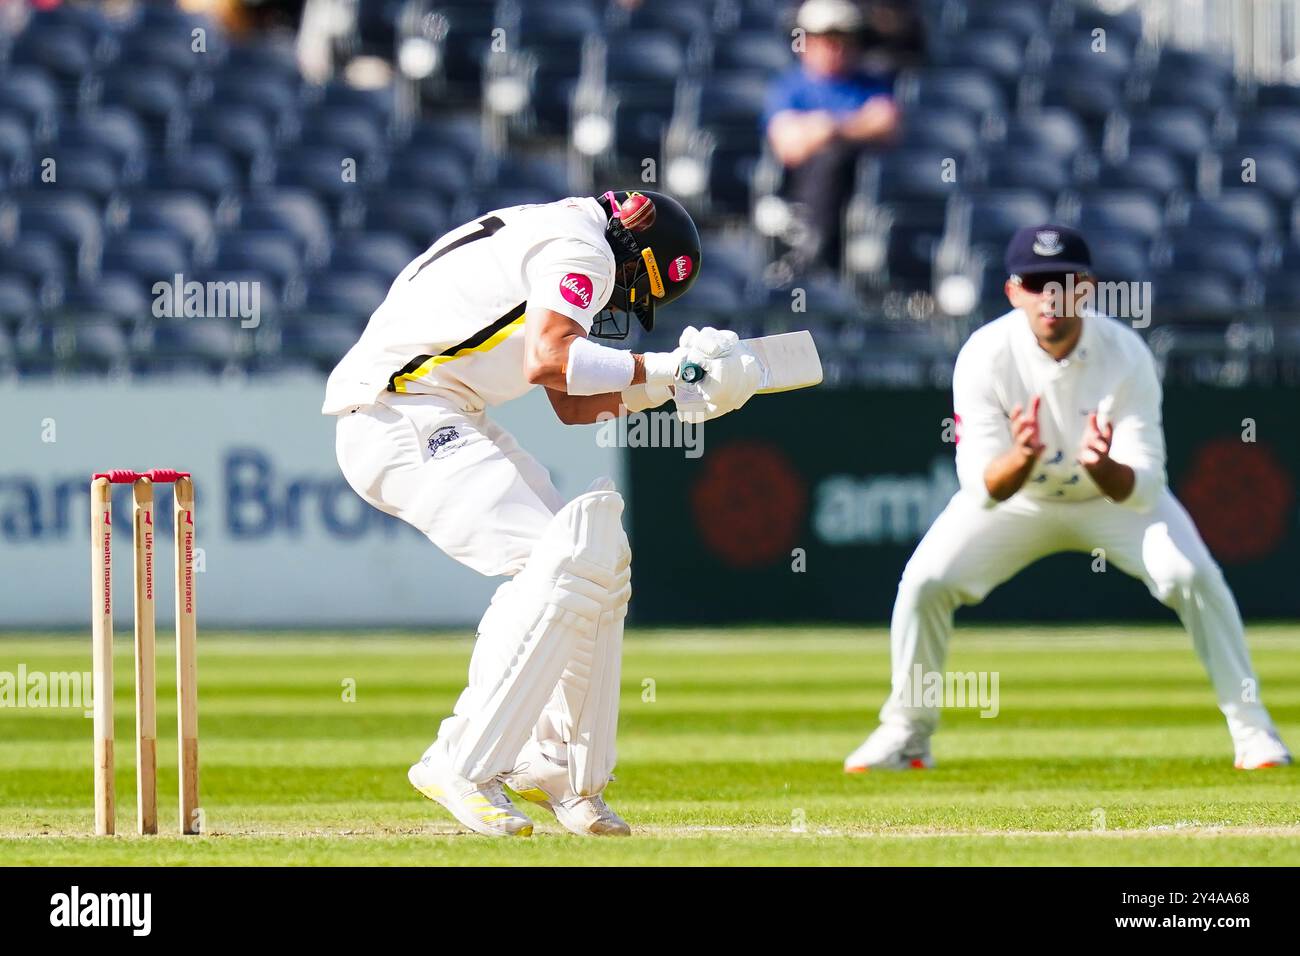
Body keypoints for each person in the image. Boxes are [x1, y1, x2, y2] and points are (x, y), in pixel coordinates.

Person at [323, 191, 762, 836]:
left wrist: (676, 387)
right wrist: (671, 364)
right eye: (628, 292)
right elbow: (551, 360)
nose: (614, 306)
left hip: (435, 410)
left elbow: (572, 401)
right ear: (629, 251)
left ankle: (559, 769)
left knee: (600, 561)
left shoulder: (565, 234)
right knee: (556, 558)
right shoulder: (580, 246)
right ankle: (462, 760)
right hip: (398, 415)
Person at [843, 225, 1292, 773]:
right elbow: (981, 489)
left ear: (1088, 288)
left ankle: (1253, 732)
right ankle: (908, 736)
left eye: (1064, 282)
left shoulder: (1126, 353)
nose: (1050, 297)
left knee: (1191, 575)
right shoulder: (984, 354)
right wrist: (1023, 457)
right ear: (1012, 292)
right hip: (1019, 500)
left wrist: (1101, 466)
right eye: (1036, 283)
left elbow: (1145, 486)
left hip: (1111, 501)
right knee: (925, 581)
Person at [764, 0, 901, 271]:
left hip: (861, 184)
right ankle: (811, 253)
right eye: (827, 39)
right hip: (805, 188)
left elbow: (888, 124)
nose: (836, 48)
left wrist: (829, 128)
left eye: (845, 40)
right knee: (831, 159)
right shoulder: (789, 87)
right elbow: (788, 145)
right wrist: (857, 126)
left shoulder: (871, 84)